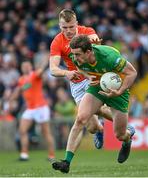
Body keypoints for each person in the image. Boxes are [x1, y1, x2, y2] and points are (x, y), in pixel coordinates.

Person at [52, 35, 137, 173]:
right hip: (97, 86)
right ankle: (66, 162)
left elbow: (132, 73)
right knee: (80, 119)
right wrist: (87, 76)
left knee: (120, 135)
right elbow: (79, 67)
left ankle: (127, 139)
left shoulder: (109, 57)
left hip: (118, 91)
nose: (75, 58)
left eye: (78, 54)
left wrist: (119, 91)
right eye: (73, 54)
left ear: (89, 52)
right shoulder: (76, 57)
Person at [49, 9, 112, 150]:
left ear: (76, 23)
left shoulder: (87, 31)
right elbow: (53, 69)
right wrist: (66, 73)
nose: (69, 30)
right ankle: (100, 130)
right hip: (76, 82)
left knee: (98, 109)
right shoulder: (57, 42)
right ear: (60, 26)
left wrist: (96, 44)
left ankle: (125, 126)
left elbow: (95, 41)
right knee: (91, 127)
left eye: (72, 26)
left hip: (92, 76)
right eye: (65, 27)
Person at [10, 59, 55, 161]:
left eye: (27, 65)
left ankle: (51, 155)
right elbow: (19, 90)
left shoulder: (34, 75)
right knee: (22, 130)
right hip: (30, 108)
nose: (25, 67)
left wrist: (46, 60)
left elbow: (41, 71)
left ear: (30, 67)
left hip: (41, 107)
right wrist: (12, 98)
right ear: (21, 68)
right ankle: (24, 155)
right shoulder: (21, 79)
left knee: (46, 132)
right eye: (23, 66)